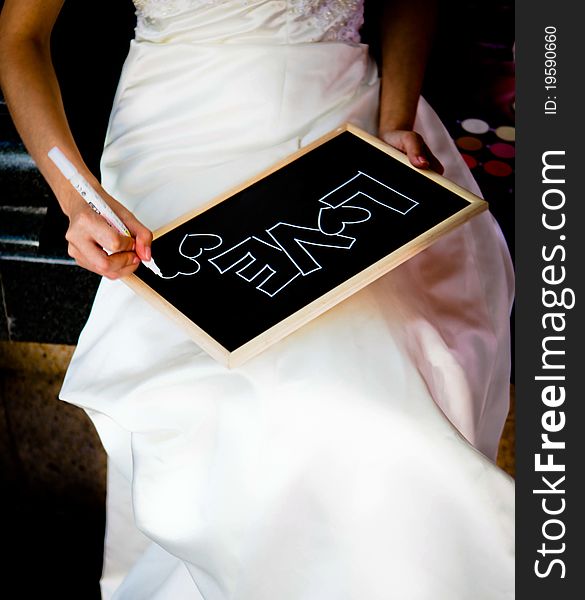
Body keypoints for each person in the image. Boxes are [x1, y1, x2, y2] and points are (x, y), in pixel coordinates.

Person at [0, 1, 515, 598]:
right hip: (178, 127)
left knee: (380, 393)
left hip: (342, 112)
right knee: (237, 394)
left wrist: (394, 122)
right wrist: (78, 198)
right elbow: (21, 37)